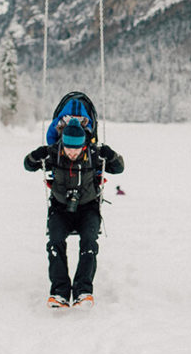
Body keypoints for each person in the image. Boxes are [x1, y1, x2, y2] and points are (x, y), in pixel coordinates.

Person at [24, 116, 124, 309]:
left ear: (83, 145)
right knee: (54, 243)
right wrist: (35, 155)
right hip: (60, 209)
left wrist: (110, 154)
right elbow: (28, 165)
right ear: (63, 143)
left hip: (88, 208)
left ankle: (83, 291)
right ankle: (59, 292)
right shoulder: (54, 153)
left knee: (88, 243)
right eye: (69, 148)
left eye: (76, 148)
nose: (72, 152)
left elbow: (118, 168)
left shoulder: (94, 153)